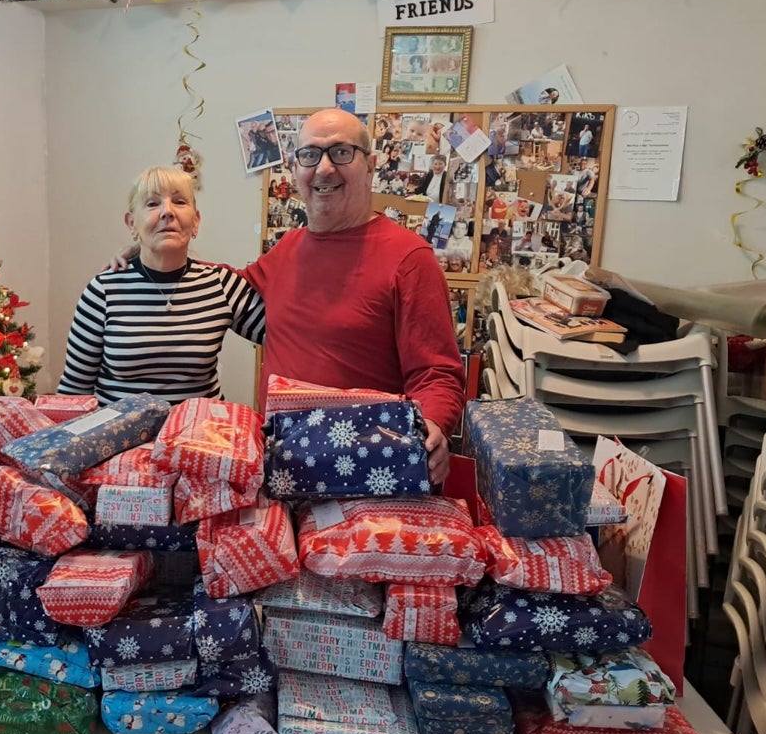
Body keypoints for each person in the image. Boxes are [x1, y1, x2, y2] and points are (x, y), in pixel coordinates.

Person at [238, 109, 465, 484]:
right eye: (310, 155)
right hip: (283, 468)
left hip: (364, 474)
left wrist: (434, 425)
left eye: (341, 152)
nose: (324, 168)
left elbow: (437, 372)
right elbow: (227, 286)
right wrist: (149, 255)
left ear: (371, 165)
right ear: (296, 170)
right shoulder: (289, 247)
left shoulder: (409, 259)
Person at [59, 166, 265, 405]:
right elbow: (74, 392)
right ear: (131, 223)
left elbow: (289, 337)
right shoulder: (103, 291)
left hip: (198, 437)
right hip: (118, 440)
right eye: (152, 204)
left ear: (196, 221)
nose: (167, 211)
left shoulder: (222, 285)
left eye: (179, 201)